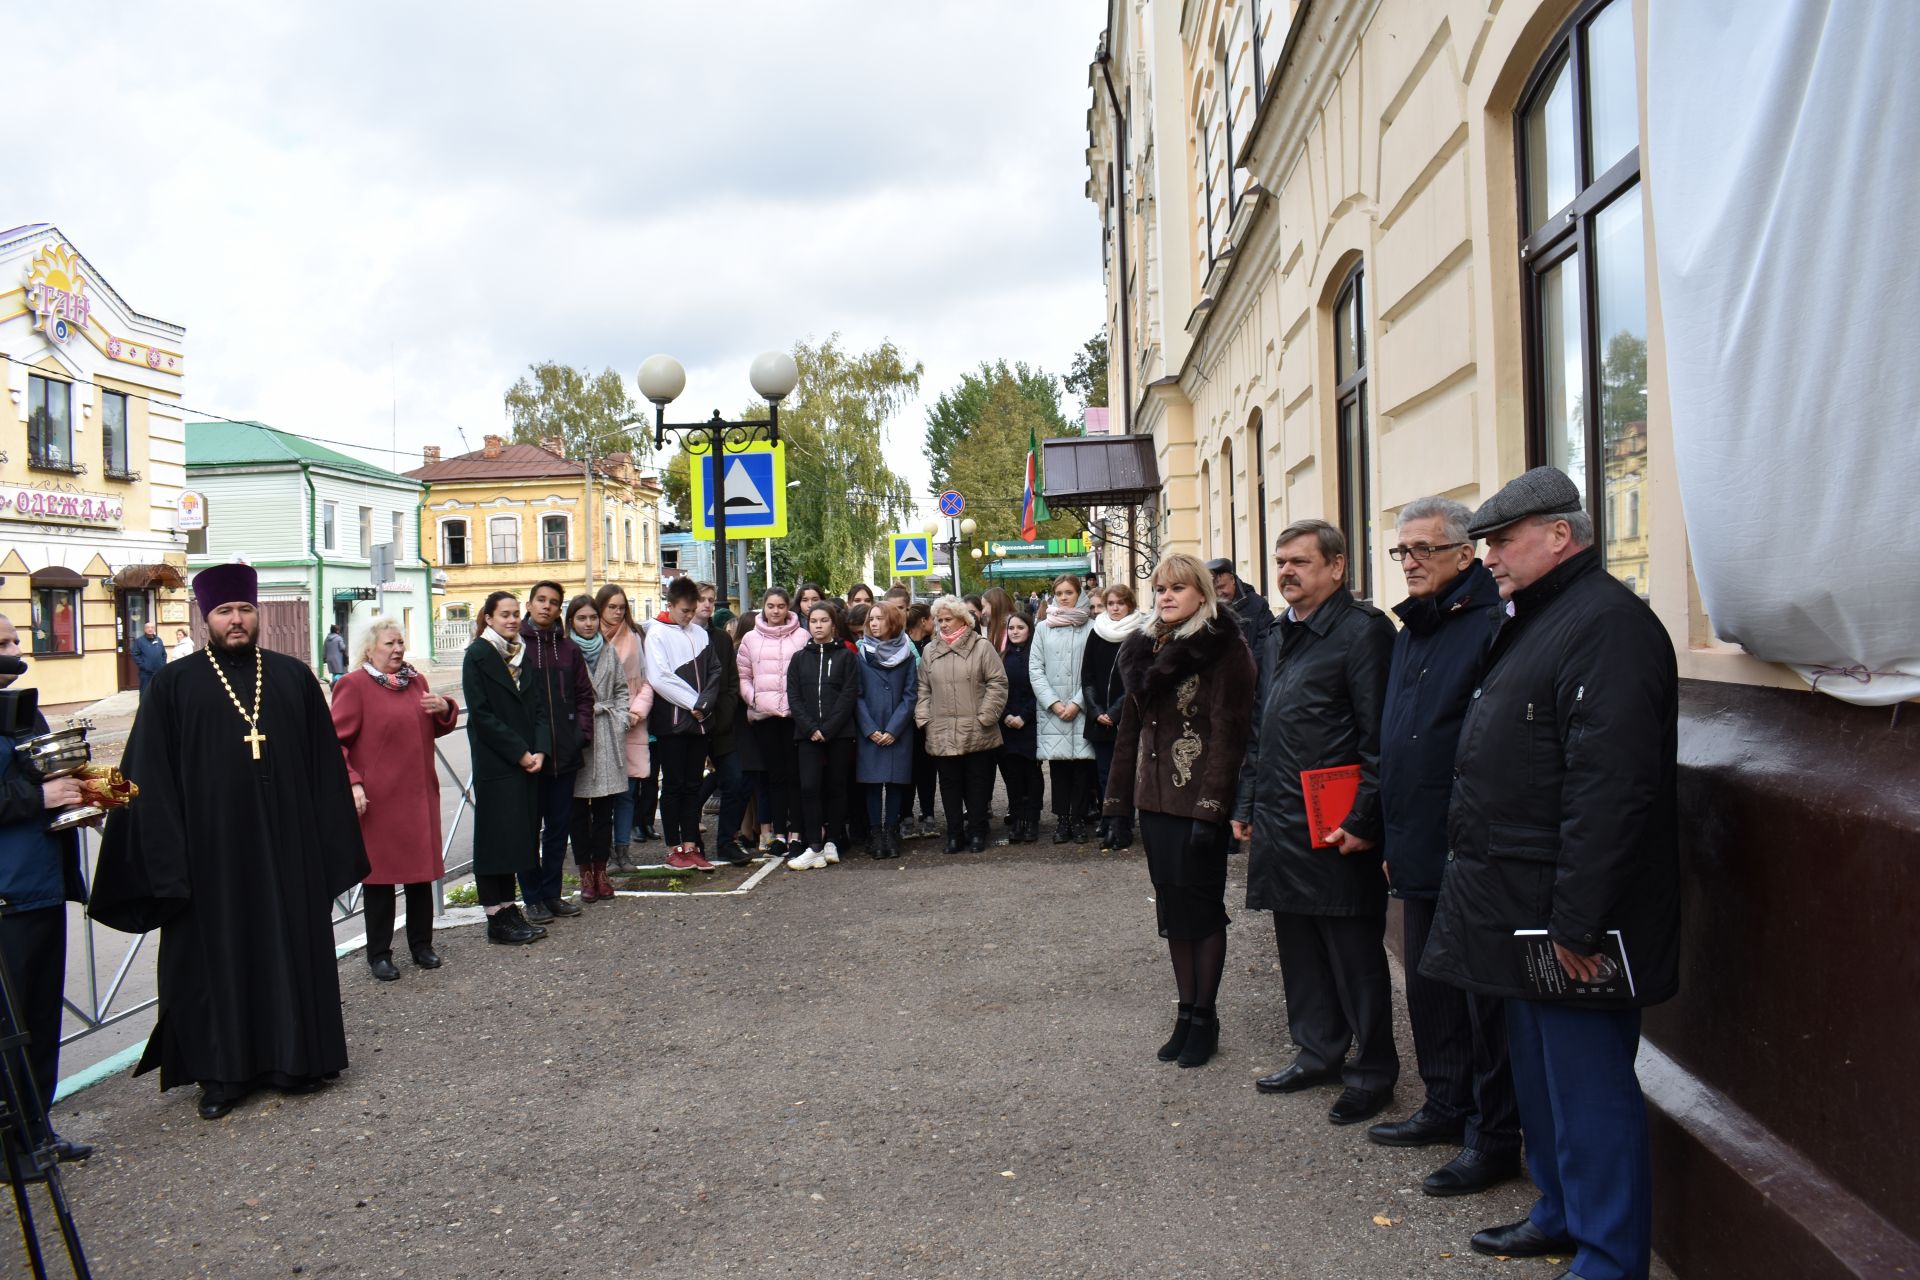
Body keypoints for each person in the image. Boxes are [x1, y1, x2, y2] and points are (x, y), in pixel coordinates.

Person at [1421, 468, 1680, 1280]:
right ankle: (1561, 1213)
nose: (1488, 555)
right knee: (1542, 1082)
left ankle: (1608, 1257)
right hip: (1517, 906)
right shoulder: (1540, 617)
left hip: (1570, 918)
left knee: (1590, 1091)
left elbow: (1612, 789)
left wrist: (1578, 921)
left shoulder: (1607, 626)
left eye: (1501, 540)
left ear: (1559, 536)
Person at [91, 563, 371, 1121]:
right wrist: (141, 834)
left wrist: (326, 848)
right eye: (224, 612)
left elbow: (326, 773)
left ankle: (297, 1061)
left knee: (286, 950)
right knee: (215, 963)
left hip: (288, 853)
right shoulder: (174, 684)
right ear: (205, 618)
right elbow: (144, 774)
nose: (236, 621)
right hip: (210, 858)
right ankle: (221, 1076)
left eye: (244, 610)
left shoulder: (293, 679)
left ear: (256, 613)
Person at [1364, 497, 1520, 1195]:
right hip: (1418, 840)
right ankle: (1444, 1104)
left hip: (1472, 848)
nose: (1411, 562)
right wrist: (1389, 829)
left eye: (1425, 549)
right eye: (1402, 551)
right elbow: (1394, 741)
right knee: (1428, 985)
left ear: (1466, 555)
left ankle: (1492, 1136)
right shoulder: (1413, 630)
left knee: (1479, 998)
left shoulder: (1491, 624)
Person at [1232, 520, 1399, 1125]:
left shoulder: (1363, 635)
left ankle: (1373, 1069)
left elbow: (1379, 737)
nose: (1286, 572)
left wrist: (1364, 818)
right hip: (1282, 819)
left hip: (1336, 826)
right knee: (1299, 946)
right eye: (1280, 562)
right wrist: (1247, 804)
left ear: (1337, 566)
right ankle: (1318, 1050)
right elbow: (1261, 729)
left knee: (1353, 952)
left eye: (1300, 561)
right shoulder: (1278, 634)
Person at [1106, 554, 1257, 1068]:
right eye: (1160, 588)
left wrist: (1212, 808)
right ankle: (1185, 1012)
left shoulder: (1224, 649)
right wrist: (1118, 800)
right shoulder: (1144, 648)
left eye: (1177, 588)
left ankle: (1205, 1017)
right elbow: (1130, 731)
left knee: (1201, 910)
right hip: (1156, 803)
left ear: (1201, 594)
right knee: (1171, 910)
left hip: (1198, 804)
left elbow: (1230, 735)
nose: (1166, 596)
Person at [0, 616, 93, 1161]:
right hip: (8, 896)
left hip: (43, 885)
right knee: (10, 1028)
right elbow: (26, 791)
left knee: (40, 1021)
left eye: (16, 641)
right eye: (3, 644)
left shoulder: (25, 711)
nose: (15, 653)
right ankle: (11, 1145)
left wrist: (81, 797)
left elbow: (47, 773)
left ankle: (37, 1132)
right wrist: (40, 799)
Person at [330, 617, 460, 981]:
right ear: (369, 649)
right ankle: (380, 955)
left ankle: (422, 945)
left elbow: (435, 723)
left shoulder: (415, 680)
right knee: (381, 881)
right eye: (389, 643)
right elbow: (333, 742)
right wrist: (353, 782)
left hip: (419, 795)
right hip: (378, 801)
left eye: (400, 642)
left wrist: (445, 708)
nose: (398, 649)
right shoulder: (354, 686)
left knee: (421, 876)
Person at [461, 592, 550, 947]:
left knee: (517, 837)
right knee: (495, 839)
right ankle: (494, 916)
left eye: (515, 614)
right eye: (504, 615)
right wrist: (519, 753)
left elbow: (539, 706)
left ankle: (509, 907)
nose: (512, 620)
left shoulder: (519, 652)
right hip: (498, 762)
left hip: (527, 760)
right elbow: (481, 715)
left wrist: (539, 749)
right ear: (489, 618)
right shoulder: (479, 654)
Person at [519, 580, 593, 923]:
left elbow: (583, 696)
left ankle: (551, 894)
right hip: (530, 758)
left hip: (565, 753)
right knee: (528, 830)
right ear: (530, 604)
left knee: (558, 829)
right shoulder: (516, 647)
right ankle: (531, 897)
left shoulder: (567, 649)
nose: (547, 607)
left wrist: (579, 734)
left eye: (553, 602)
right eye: (541, 600)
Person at [914, 596, 1007, 853]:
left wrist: (985, 717)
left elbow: (997, 683)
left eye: (948, 619)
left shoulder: (981, 647)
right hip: (941, 729)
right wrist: (925, 719)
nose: (943, 624)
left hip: (977, 728)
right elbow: (923, 688)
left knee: (977, 783)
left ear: (963, 620)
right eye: (939, 620)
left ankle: (977, 832)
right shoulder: (930, 651)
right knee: (949, 784)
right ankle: (954, 834)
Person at [646, 577, 720, 873]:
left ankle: (692, 845)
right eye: (684, 610)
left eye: (692, 611)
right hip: (673, 724)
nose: (689, 616)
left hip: (699, 722)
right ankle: (673, 846)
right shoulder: (656, 634)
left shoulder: (700, 634)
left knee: (692, 784)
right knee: (674, 785)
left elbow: (715, 669)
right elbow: (660, 677)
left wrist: (705, 704)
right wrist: (695, 703)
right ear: (671, 605)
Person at [566, 595, 629, 903]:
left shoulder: (609, 650)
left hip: (607, 736)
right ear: (571, 622)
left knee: (605, 811)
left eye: (592, 618)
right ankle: (585, 875)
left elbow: (621, 689)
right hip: (580, 739)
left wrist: (619, 720)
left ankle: (602, 872)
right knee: (578, 813)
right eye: (582, 619)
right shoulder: (565, 652)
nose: (588, 624)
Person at [786, 603, 858, 869]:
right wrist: (810, 728)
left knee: (837, 786)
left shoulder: (845, 657)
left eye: (823, 620)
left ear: (832, 624)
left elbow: (848, 695)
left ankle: (833, 840)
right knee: (809, 787)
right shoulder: (799, 658)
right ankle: (814, 843)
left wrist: (828, 728)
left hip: (839, 733)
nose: (818, 625)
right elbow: (793, 696)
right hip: (807, 735)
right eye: (813, 620)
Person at [738, 587, 808, 858]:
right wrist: (753, 698)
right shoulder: (750, 639)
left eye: (780, 606)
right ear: (763, 607)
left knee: (795, 777)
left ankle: (796, 834)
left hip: (794, 717)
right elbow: (743, 674)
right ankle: (778, 834)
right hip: (765, 717)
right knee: (774, 779)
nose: (776, 611)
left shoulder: (802, 636)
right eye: (770, 606)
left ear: (788, 607)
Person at [1030, 574, 1097, 844]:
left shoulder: (1093, 627)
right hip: (1053, 710)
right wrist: (1054, 703)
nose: (1064, 597)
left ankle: (1079, 819)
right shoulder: (1043, 628)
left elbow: (1095, 670)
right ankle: (1062, 820)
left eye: (1069, 592)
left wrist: (1078, 703)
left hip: (1082, 708)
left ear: (1079, 594)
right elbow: (1035, 669)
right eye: (1059, 593)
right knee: (1058, 770)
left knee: (1083, 770)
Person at [1081, 584, 1147, 851]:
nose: (1115, 608)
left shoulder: (1140, 634)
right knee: (1105, 773)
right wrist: (1096, 711)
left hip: (1127, 716)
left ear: (1130, 604)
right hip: (1099, 718)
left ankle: (1123, 825)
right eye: (1110, 604)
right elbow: (1086, 676)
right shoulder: (1096, 632)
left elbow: (1139, 678)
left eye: (1120, 603)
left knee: (1126, 773)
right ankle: (1108, 821)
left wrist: (1116, 712)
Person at [594, 585, 655, 870]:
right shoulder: (589, 638)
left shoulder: (634, 636)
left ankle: (623, 849)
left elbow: (645, 683)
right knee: (600, 793)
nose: (617, 612)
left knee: (627, 791)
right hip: (598, 723)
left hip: (630, 722)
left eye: (622, 607)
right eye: (612, 607)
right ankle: (601, 852)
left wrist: (636, 712)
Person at [854, 602, 918, 859]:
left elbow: (910, 695)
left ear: (892, 622)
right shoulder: (861, 654)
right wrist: (870, 729)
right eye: (871, 619)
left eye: (880, 619)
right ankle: (874, 832)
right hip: (869, 729)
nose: (874, 623)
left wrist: (893, 729)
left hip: (897, 730)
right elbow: (855, 695)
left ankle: (891, 831)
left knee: (894, 783)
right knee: (871, 784)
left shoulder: (907, 655)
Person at [696, 583, 752, 866]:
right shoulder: (678, 637)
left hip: (721, 725)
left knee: (736, 781)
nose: (707, 605)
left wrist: (723, 715)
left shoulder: (720, 639)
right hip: (690, 725)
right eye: (701, 600)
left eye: (709, 600)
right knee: (689, 786)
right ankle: (689, 842)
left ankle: (726, 841)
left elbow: (731, 683)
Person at [997, 612, 1043, 843]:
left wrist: (1024, 716)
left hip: (1030, 723)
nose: (1015, 631)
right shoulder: (1001, 657)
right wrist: (1005, 715)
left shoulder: (1036, 656)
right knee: (1012, 775)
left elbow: (1041, 689)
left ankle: (1032, 819)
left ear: (1029, 630)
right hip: (1006, 724)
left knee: (1032, 774)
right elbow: (995, 689)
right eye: (1011, 628)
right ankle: (1017, 818)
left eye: (1020, 627)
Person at [903, 602, 940, 839]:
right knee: (908, 767)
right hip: (907, 716)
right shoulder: (902, 645)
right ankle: (905, 815)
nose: (936, 623)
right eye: (933, 619)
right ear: (924, 621)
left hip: (930, 714)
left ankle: (928, 814)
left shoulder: (934, 645)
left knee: (928, 767)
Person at [1207, 556, 1274, 672]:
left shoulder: (1257, 605)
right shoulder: (1206, 608)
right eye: (1214, 589)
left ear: (1232, 580)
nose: (1219, 593)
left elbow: (1267, 642)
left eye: (1222, 587)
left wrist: (1247, 670)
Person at [132, 621, 168, 699]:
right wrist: (143, 665)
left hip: (158, 671)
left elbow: (164, 654)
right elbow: (135, 654)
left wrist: (162, 664)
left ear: (154, 629)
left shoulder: (159, 640)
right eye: (148, 627)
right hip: (146, 673)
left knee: (158, 692)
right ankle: (143, 710)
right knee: (144, 692)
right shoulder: (139, 641)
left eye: (152, 627)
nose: (150, 629)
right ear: (144, 629)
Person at [979, 587, 1015, 653]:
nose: (983, 612)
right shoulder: (995, 624)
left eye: (984, 607)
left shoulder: (1013, 625)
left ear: (994, 604)